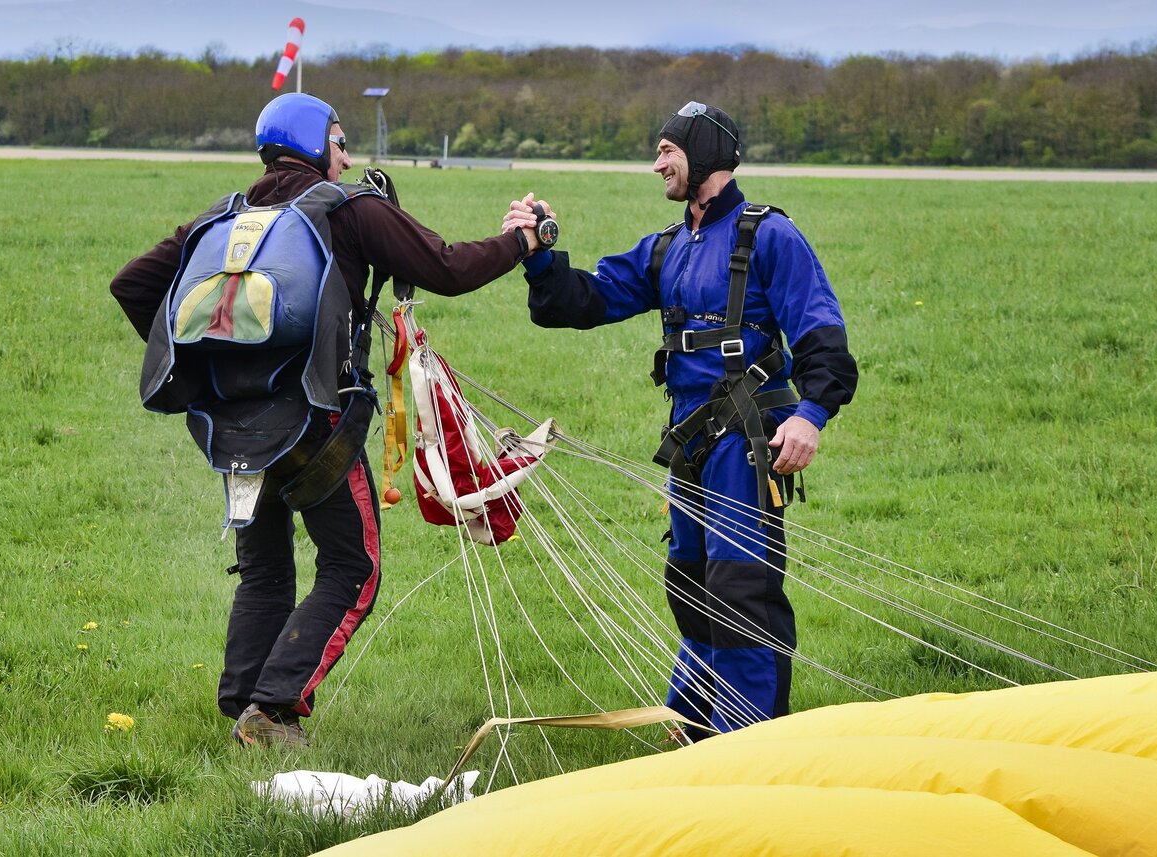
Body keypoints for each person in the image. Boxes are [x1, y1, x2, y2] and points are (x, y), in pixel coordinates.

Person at [111, 92, 543, 747]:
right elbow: (448, 268)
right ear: (314, 144)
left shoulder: (224, 219)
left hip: (232, 430)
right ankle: (274, 708)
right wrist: (521, 241)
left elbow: (134, 285)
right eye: (339, 142)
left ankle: (244, 701)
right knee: (353, 565)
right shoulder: (349, 210)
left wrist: (198, 364)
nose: (345, 157)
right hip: (318, 424)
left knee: (264, 566)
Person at [504, 102, 858, 740]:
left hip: (748, 441)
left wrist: (810, 415)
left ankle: (750, 737)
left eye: (668, 150)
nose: (657, 164)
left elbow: (822, 334)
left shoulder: (768, 235)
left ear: (704, 154)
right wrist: (538, 253)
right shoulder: (668, 247)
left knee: (739, 587)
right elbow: (586, 298)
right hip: (690, 443)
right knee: (690, 582)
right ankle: (693, 721)